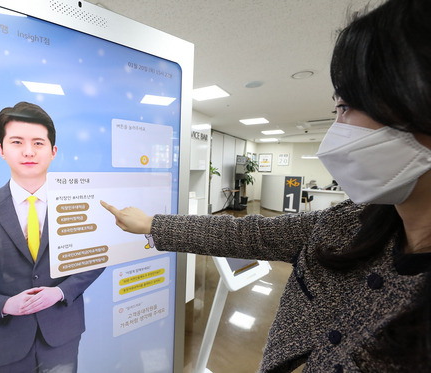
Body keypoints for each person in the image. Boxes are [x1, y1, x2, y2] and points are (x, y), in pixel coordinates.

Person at [101, 0, 431, 371]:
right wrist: (152, 225)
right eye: (336, 108)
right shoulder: (348, 225)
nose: (338, 129)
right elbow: (250, 235)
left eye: (348, 106)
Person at [0, 102, 104, 373]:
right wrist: (5, 304)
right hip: (6, 344)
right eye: (17, 142)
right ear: (1, 150)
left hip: (62, 336)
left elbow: (95, 259)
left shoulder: (78, 203)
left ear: (53, 152)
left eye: (38, 143)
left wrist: (61, 292)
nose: (28, 151)